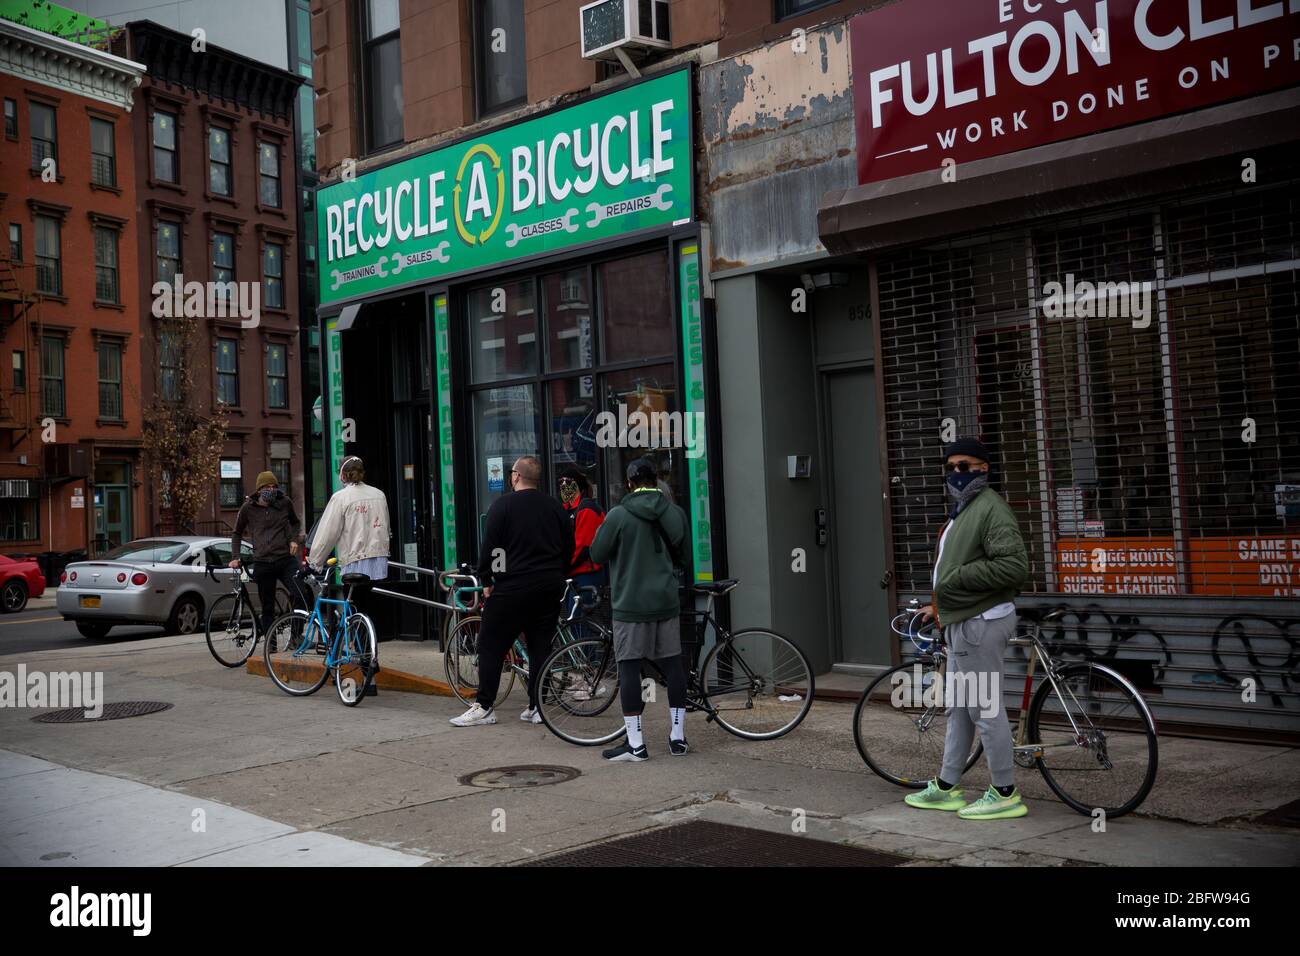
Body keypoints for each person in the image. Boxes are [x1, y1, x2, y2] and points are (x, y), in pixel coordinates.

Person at [905, 437, 1031, 820]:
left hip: (982, 623)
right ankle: (947, 785)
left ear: (983, 469)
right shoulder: (966, 509)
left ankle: (1005, 791)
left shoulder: (991, 509)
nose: (956, 473)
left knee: (985, 709)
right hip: (963, 620)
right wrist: (940, 604)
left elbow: (1013, 566)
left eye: (965, 466)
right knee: (959, 709)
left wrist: (957, 579)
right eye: (951, 467)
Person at [450, 455, 572, 727]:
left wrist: (487, 579)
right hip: (549, 586)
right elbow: (568, 547)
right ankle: (537, 706)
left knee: (491, 644)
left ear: (516, 476)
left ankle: (484, 706)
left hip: (513, 586)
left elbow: (493, 548)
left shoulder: (502, 506)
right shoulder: (555, 507)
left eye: (511, 473)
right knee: (540, 645)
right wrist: (558, 574)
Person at [588, 457, 690, 761]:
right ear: (656, 480)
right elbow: (684, 559)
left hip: (630, 604)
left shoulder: (619, 515)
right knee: (674, 667)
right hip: (666, 602)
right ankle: (678, 738)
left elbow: (597, 553)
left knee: (630, 668)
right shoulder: (675, 513)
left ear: (630, 483)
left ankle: (636, 743)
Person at [230, 471, 306, 639]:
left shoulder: (284, 502)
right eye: (267, 487)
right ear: (259, 490)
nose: (271, 490)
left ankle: (296, 636)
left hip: (285, 560)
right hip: (263, 562)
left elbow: (295, 522)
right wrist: (235, 556)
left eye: (274, 487)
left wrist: (293, 539)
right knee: (267, 607)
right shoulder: (248, 508)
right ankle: (270, 645)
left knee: (300, 593)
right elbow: (237, 533)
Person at [308, 455, 391, 581]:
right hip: (379, 560)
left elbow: (328, 533)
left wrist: (315, 562)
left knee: (353, 599)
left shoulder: (341, 498)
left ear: (342, 475)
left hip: (354, 561)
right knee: (376, 598)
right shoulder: (379, 495)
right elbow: (386, 528)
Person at [558, 468, 605, 626]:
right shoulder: (566, 509)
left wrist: (560, 568)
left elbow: (581, 548)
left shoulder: (587, 509)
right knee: (574, 623)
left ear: (579, 486)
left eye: (569, 482)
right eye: (561, 482)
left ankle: (583, 651)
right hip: (574, 575)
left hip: (586, 575)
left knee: (580, 625)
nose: (564, 485)